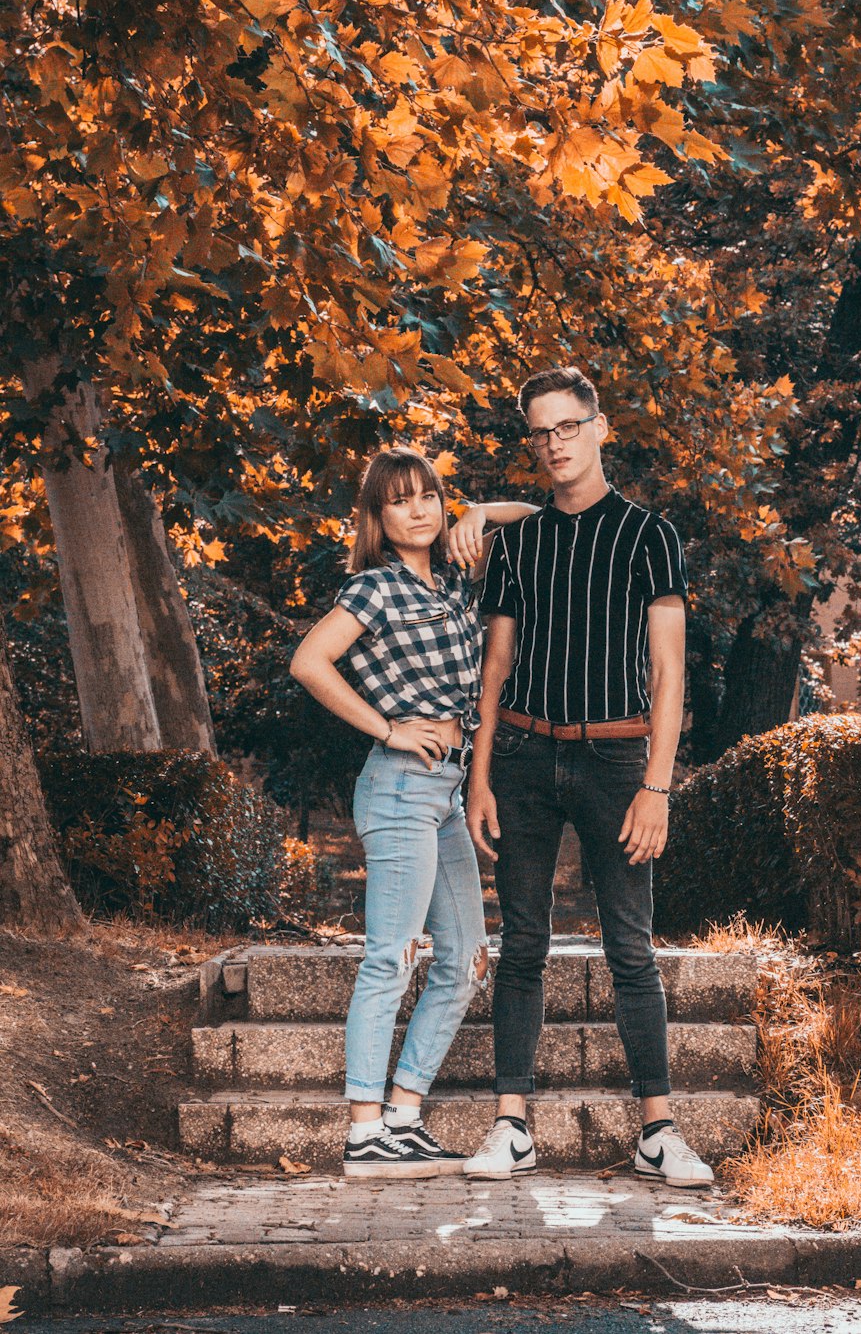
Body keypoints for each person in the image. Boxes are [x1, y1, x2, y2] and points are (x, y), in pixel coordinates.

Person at [460, 366, 714, 1188]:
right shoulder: (520, 545)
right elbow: (494, 670)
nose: (555, 443)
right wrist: (480, 776)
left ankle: (658, 1131)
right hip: (527, 758)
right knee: (522, 944)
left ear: (599, 428)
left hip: (617, 761)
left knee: (631, 948)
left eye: (568, 426)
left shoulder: (651, 537)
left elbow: (668, 674)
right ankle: (510, 1126)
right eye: (540, 432)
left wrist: (658, 785)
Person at [290, 447, 534, 1179]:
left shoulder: (457, 576)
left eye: (430, 495)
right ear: (378, 516)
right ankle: (365, 1130)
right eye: (400, 500)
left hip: (446, 792)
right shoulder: (374, 590)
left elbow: (542, 517)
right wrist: (390, 728)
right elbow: (309, 662)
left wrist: (481, 512)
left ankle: (403, 1113)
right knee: (391, 956)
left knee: (463, 962)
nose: (420, 509)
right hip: (400, 784)